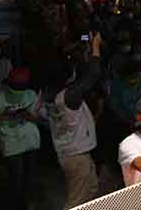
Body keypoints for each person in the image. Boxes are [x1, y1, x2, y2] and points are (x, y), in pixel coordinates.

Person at [40, 33, 102, 209]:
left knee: (90, 190)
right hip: (76, 156)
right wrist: (96, 47)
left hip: (71, 152)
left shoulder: (47, 95)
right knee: (75, 202)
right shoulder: (68, 97)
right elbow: (93, 74)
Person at [0, 67, 40, 210]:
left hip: (31, 142)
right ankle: (17, 205)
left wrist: (27, 115)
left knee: (30, 177)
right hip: (11, 144)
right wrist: (6, 115)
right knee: (16, 179)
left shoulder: (31, 95)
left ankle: (27, 202)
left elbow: (39, 118)